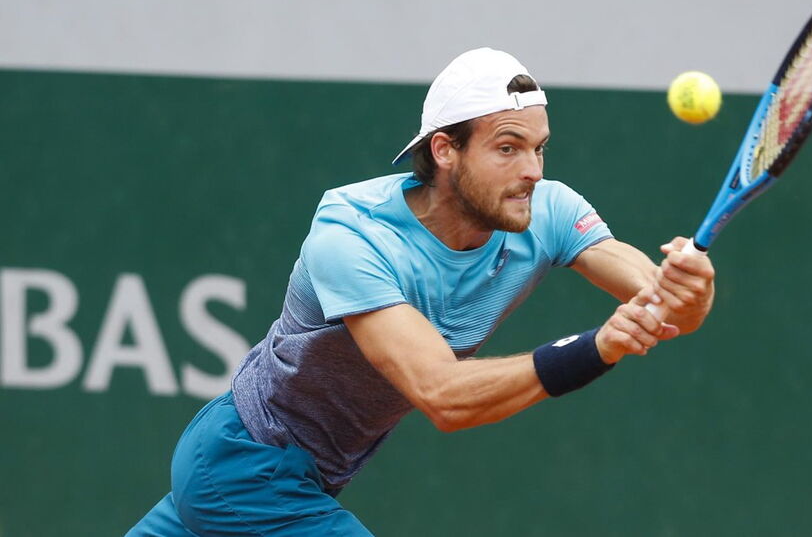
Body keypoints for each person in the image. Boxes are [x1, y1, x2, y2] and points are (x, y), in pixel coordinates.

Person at [128, 47, 715, 536]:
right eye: (508, 148)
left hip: (302, 470)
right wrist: (598, 347)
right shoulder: (353, 236)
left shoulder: (549, 210)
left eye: (539, 148)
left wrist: (687, 290)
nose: (533, 169)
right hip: (245, 464)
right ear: (444, 150)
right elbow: (444, 396)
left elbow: (660, 301)